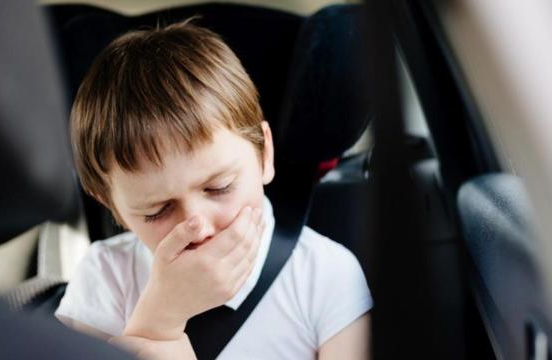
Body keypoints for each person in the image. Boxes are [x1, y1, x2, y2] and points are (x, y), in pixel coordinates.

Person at [55, 20, 372, 360]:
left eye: (220, 187)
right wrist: (158, 321)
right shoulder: (105, 278)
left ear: (264, 154)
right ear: (111, 205)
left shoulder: (327, 276)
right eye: (156, 211)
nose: (198, 227)